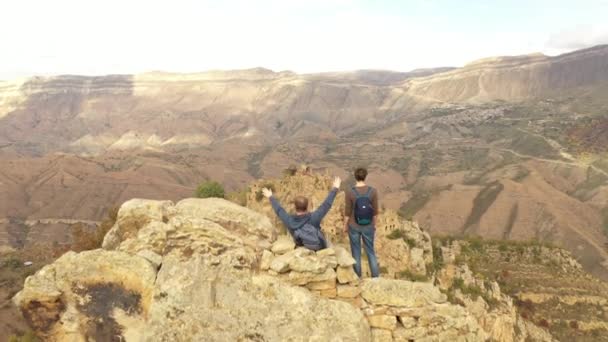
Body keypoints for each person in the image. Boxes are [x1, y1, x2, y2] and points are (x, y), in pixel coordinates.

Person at [262, 176, 341, 251]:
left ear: (295, 207)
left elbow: (279, 210)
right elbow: (326, 205)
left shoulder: (290, 221)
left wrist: (270, 196)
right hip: (318, 245)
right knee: (329, 243)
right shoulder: (314, 217)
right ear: (307, 206)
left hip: (301, 245)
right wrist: (335, 188)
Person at [344, 167, 380, 277]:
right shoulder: (373, 191)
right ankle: (376, 279)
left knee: (356, 253)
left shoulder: (350, 192)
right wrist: (374, 224)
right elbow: (375, 211)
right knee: (370, 252)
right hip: (368, 226)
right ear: (365, 177)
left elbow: (347, 212)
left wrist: (345, 226)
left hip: (354, 226)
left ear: (355, 177)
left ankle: (358, 279)